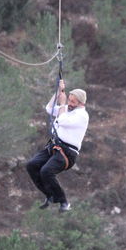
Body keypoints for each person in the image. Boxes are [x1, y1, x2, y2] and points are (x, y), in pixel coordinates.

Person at [26, 79, 88, 212]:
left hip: (67, 153)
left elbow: (63, 121)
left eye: (73, 102)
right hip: (54, 146)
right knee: (31, 165)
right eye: (69, 100)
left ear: (81, 104)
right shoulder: (67, 109)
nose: (70, 103)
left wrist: (63, 103)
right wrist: (58, 92)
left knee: (46, 171)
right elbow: (49, 108)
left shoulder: (82, 115)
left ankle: (64, 201)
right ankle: (49, 195)